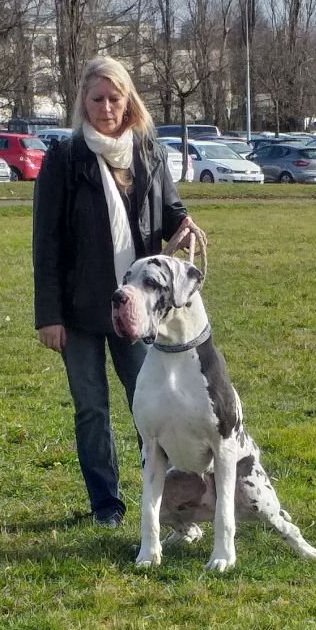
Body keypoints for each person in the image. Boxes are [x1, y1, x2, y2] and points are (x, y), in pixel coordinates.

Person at [33, 56, 205, 528]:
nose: (106, 108)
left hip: (142, 310)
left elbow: (170, 208)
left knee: (149, 406)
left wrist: (184, 223)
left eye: (115, 98)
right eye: (97, 99)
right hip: (79, 311)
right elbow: (45, 244)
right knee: (92, 409)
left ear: (128, 100)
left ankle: (172, 505)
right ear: (82, 103)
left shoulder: (149, 151)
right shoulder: (64, 160)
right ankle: (106, 506)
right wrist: (49, 314)